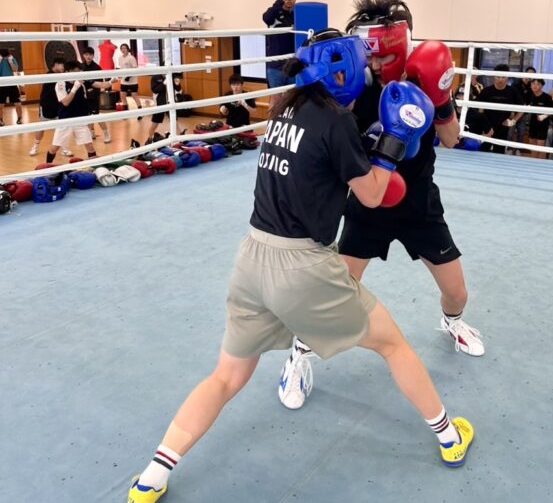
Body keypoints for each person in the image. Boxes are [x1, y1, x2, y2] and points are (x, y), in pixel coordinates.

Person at [126, 30, 474, 503]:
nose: (369, 72)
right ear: (344, 71)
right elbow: (374, 194)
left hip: (251, 260)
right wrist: (394, 139)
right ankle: (450, 437)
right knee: (393, 345)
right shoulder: (337, 122)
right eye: (363, 66)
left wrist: (375, 147)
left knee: (225, 377)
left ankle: (151, 477)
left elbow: (323, 167)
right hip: (302, 269)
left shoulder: (284, 109)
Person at [277, 0, 485, 412]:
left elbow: (451, 138)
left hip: (420, 207)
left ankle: (453, 323)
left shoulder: (422, 79)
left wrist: (440, 97)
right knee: (334, 294)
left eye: (383, 57)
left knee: (458, 293)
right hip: (367, 206)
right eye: (369, 57)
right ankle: (298, 355)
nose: (374, 65)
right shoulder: (350, 88)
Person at [44, 60, 99, 163]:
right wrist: (75, 88)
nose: (78, 74)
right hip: (66, 120)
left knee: (90, 146)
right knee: (55, 147)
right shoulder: (60, 84)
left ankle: (95, 166)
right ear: (67, 72)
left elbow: (99, 84)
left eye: (79, 71)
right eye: (75, 71)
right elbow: (65, 102)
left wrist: (111, 81)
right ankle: (47, 166)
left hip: (80, 119)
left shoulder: (81, 82)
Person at [476, 64, 524, 154]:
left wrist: (513, 121)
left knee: (499, 155)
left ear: (507, 78)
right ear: (494, 77)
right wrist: (483, 127)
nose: (500, 80)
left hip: (503, 128)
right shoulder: (486, 91)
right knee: (482, 153)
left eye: (503, 77)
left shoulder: (512, 91)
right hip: (487, 127)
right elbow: (480, 111)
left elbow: (522, 108)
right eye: (498, 77)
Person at [262, 0, 296, 107]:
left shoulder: (298, 15)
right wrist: (280, 1)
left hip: (292, 65)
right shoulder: (273, 13)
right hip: (275, 66)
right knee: (276, 100)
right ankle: (272, 120)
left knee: (292, 99)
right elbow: (266, 18)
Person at [30, 57, 65, 156]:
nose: (63, 68)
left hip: (58, 105)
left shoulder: (62, 75)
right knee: (42, 126)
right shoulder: (49, 75)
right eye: (62, 65)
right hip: (46, 105)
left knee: (61, 127)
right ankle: (35, 146)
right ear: (56, 65)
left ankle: (64, 148)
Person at [81, 47, 113, 143]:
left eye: (90, 55)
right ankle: (92, 132)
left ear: (93, 55)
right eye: (86, 54)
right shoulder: (81, 67)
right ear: (83, 55)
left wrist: (92, 88)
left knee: (96, 115)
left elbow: (100, 84)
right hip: (84, 95)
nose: (88, 57)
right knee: (87, 115)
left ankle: (106, 133)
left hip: (94, 95)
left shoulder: (97, 67)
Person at [146, 72, 185, 142]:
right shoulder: (156, 77)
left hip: (170, 103)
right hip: (159, 104)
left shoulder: (172, 76)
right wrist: (163, 83)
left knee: (174, 121)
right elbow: (155, 90)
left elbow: (178, 89)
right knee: (155, 123)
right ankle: (149, 139)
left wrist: (177, 83)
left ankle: (181, 139)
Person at [508, 66, 536, 153]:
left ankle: (518, 149)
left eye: (532, 75)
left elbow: (531, 99)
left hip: (524, 113)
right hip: (514, 111)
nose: (530, 76)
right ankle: (509, 148)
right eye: (529, 74)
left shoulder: (531, 86)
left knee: (521, 132)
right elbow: (511, 97)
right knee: (510, 131)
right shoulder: (516, 83)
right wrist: (511, 111)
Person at [527, 79, 553, 159]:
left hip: (543, 124)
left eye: (537, 84)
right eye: (533, 84)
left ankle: (541, 163)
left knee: (541, 145)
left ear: (542, 86)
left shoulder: (547, 97)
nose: (535, 86)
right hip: (532, 123)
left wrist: (544, 116)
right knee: (532, 144)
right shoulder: (529, 95)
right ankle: (534, 161)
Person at [117, 43, 143, 117]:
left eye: (125, 48)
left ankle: (140, 112)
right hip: (123, 81)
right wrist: (119, 75)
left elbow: (135, 68)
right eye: (122, 48)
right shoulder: (120, 58)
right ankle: (126, 112)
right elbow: (121, 68)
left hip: (133, 81)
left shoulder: (131, 58)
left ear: (128, 49)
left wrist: (129, 76)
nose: (123, 50)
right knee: (122, 95)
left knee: (134, 95)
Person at [0, 48, 23, 126]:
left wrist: (10, 61)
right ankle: (0, 120)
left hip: (12, 83)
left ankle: (20, 118)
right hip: (1, 84)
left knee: (18, 103)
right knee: (0, 105)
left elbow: (15, 69)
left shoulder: (11, 59)